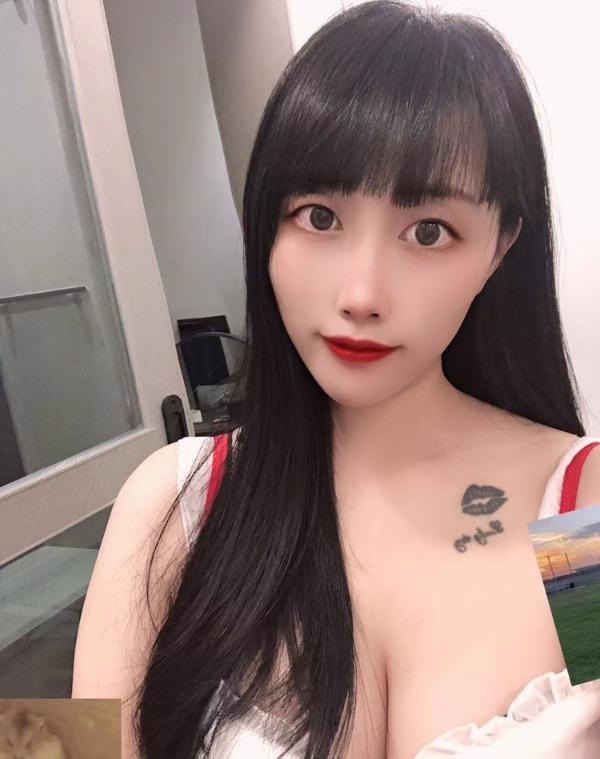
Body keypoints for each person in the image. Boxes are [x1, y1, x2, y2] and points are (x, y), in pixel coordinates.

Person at [71, 2, 600, 758]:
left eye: (428, 232)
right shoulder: (174, 501)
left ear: (500, 246)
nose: (361, 293)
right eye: (319, 217)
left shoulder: (579, 505)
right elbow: (54, 750)